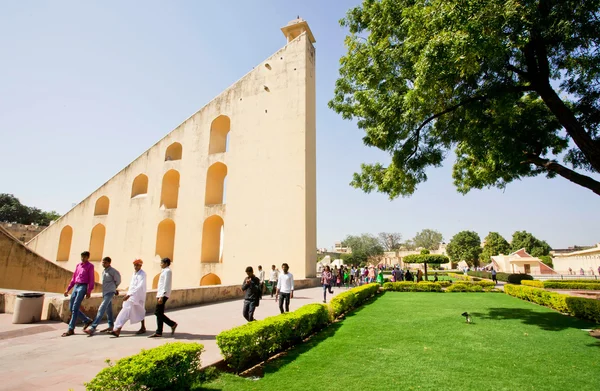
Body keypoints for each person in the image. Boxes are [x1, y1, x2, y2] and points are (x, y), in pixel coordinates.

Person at [84, 257, 121, 335]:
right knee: (108, 310)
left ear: (109, 263)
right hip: (105, 292)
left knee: (102, 308)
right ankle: (111, 325)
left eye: (105, 262)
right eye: (103, 262)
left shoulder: (113, 271)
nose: (103, 264)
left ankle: (93, 327)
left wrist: (114, 288)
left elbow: (118, 280)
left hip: (110, 292)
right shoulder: (104, 271)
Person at [62, 251, 95, 337]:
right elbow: (73, 278)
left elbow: (91, 279)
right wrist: (68, 289)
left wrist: (89, 291)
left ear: (88, 257)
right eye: (82, 257)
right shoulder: (78, 265)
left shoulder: (90, 266)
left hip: (83, 287)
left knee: (75, 307)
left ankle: (71, 328)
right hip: (76, 286)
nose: (83, 259)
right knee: (71, 307)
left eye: (84, 257)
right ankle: (86, 320)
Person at [110, 259, 147, 337]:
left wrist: (129, 294)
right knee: (128, 310)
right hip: (131, 296)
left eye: (137, 265)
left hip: (137, 296)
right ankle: (117, 328)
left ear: (140, 265)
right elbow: (132, 285)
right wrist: (128, 293)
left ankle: (117, 329)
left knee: (138, 310)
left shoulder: (142, 274)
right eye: (135, 265)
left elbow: (139, 286)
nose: (135, 266)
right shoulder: (134, 273)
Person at [149, 258, 178, 338]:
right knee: (160, 313)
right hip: (160, 294)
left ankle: (172, 324)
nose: (160, 264)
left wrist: (162, 296)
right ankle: (159, 332)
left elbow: (166, 284)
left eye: (161, 263)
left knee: (157, 312)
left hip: (163, 294)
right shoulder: (164, 271)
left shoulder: (168, 271)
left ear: (165, 263)